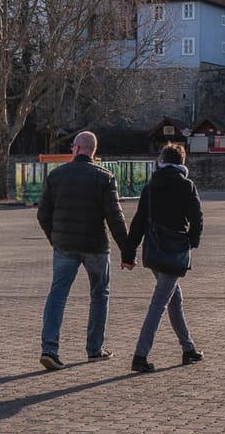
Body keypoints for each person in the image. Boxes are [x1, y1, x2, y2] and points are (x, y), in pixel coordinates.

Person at [36, 131, 130, 371]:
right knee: (100, 295)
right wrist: (127, 251)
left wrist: (54, 239)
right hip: (95, 245)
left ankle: (50, 348)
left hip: (64, 247)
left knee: (57, 295)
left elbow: (43, 214)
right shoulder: (104, 178)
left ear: (76, 148)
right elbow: (115, 218)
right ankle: (94, 348)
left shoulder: (56, 176)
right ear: (93, 151)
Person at [122, 145, 205, 374]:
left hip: (154, 251)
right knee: (159, 304)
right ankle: (140, 355)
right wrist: (191, 242)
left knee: (174, 300)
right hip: (174, 253)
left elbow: (138, 222)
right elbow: (197, 220)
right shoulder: (186, 185)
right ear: (181, 162)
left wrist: (128, 254)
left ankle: (188, 348)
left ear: (162, 161)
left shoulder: (151, 186)